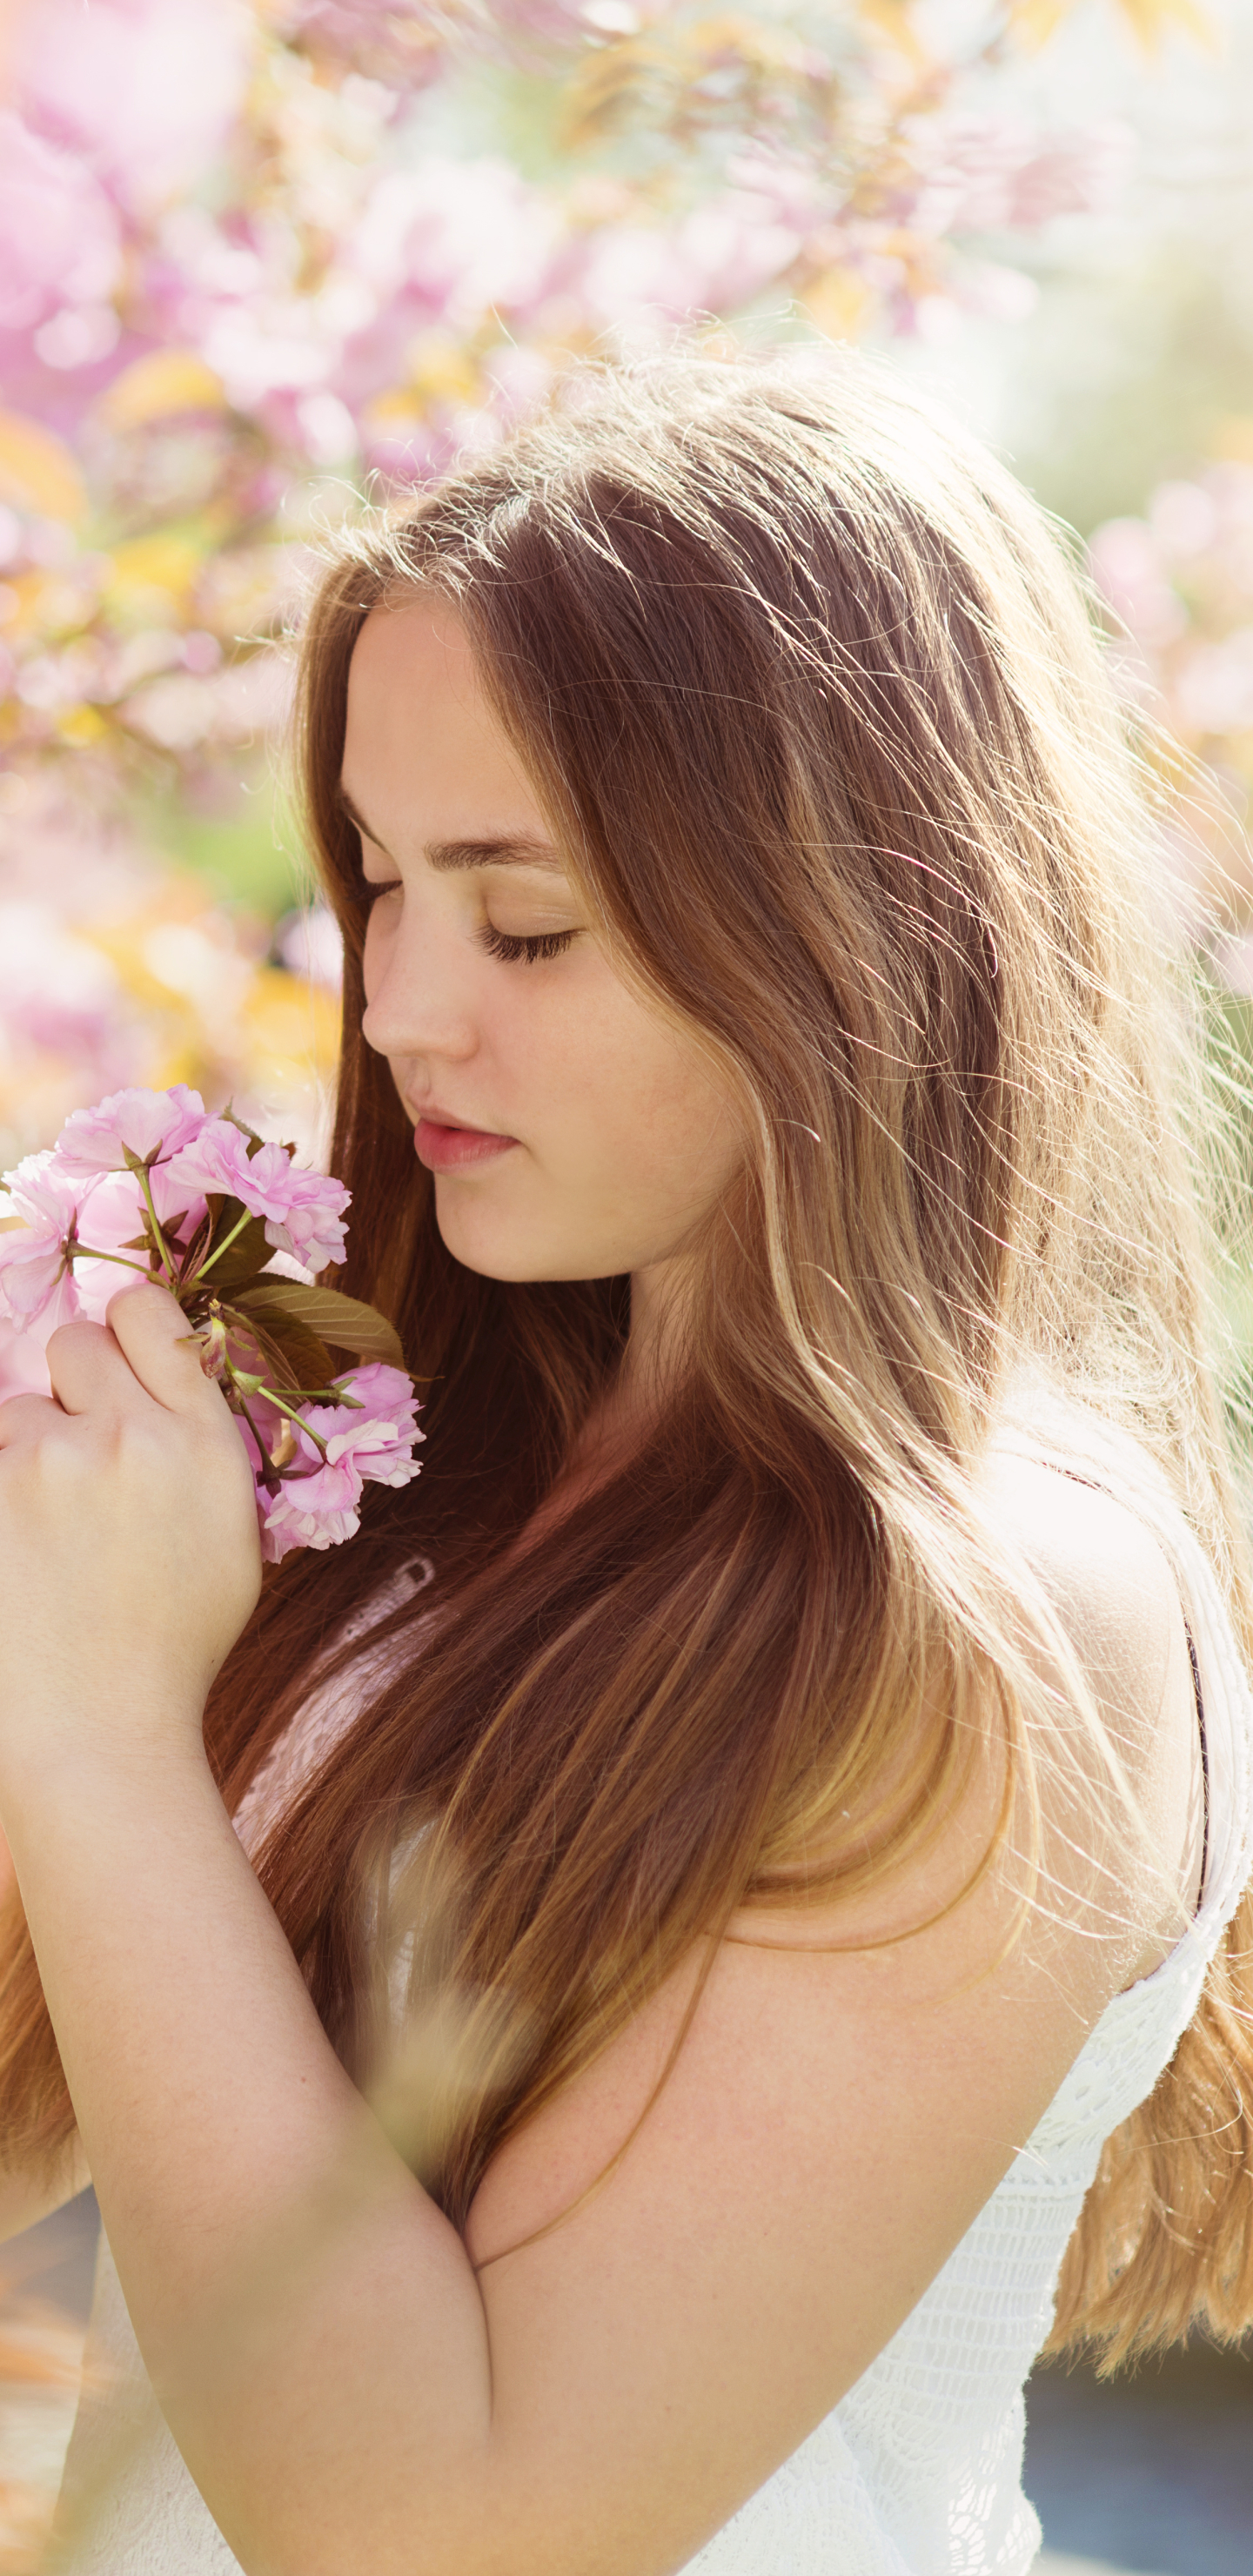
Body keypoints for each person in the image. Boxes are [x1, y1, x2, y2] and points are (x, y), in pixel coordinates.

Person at [0, 350, 1250, 2576]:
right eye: (379, 879)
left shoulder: (1008, 1623)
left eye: (526, 919)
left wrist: (102, 1738)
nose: (392, 1002)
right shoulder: (424, 1475)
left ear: (861, 919)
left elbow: (452, 2533)